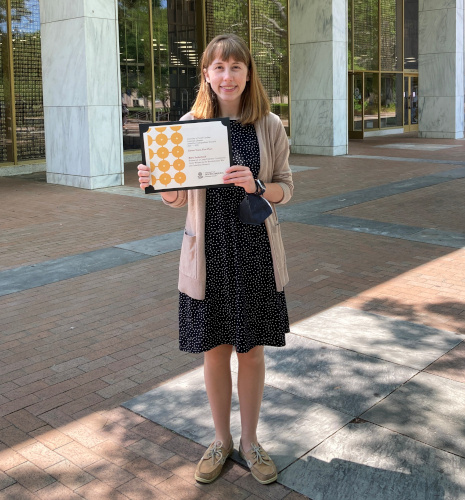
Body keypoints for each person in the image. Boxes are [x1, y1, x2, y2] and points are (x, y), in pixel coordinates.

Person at [138, 33, 293, 485]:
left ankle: (251, 442)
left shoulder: (268, 124)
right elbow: (175, 198)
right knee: (215, 350)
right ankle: (221, 440)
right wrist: (158, 182)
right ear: (205, 74)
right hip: (208, 253)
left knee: (251, 350)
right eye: (218, 68)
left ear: (248, 74)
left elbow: (286, 186)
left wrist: (258, 186)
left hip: (254, 251)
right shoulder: (186, 126)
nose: (227, 76)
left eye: (236, 67)